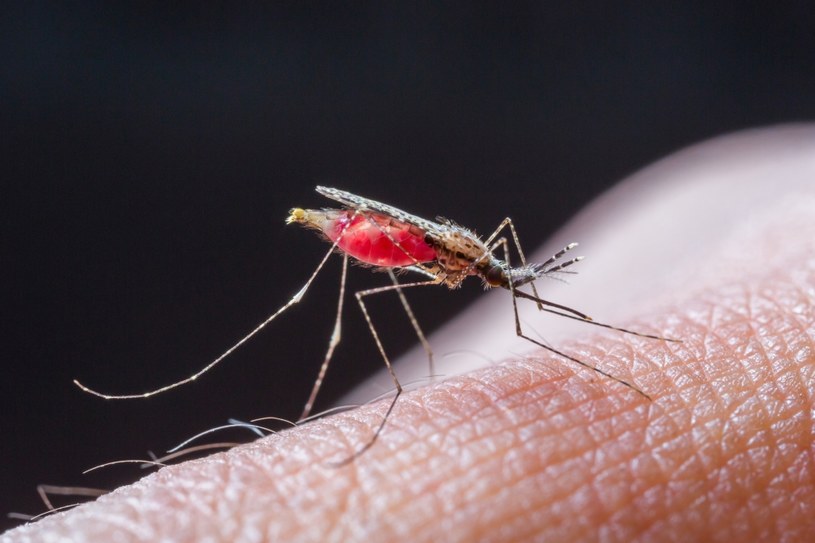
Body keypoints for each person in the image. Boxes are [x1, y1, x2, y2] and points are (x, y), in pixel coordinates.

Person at [7, 125, 815, 542]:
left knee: (506, 293)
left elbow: (494, 261)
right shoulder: (461, 256)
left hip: (428, 244)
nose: (509, 282)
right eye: (506, 274)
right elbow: (438, 246)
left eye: (505, 272)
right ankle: (208, 383)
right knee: (332, 308)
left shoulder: (485, 258)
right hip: (397, 239)